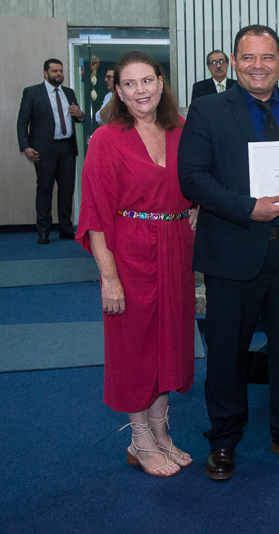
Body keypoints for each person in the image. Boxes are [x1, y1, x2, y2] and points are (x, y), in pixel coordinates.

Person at [177, 25, 279, 481]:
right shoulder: (206, 110)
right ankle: (223, 440)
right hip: (233, 252)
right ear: (234, 63)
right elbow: (193, 178)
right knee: (227, 353)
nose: (258, 65)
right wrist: (248, 209)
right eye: (248, 57)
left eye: (268, 57)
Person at [76, 51, 197, 478]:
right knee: (134, 346)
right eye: (130, 84)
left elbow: (200, 183)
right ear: (118, 91)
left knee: (170, 341)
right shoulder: (106, 139)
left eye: (148, 81)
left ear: (161, 83)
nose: (141, 90)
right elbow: (94, 215)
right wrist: (108, 278)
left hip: (175, 248)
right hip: (128, 250)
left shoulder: (182, 130)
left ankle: (162, 432)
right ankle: (139, 438)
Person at [16, 58, 85, 244]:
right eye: (54, 71)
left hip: (67, 148)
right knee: (45, 190)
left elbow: (79, 116)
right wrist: (25, 146)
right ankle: (44, 231)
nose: (59, 74)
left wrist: (81, 115)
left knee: (66, 190)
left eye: (61, 71)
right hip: (44, 149)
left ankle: (66, 229)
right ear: (45, 73)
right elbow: (22, 122)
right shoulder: (32, 92)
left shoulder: (69, 93)